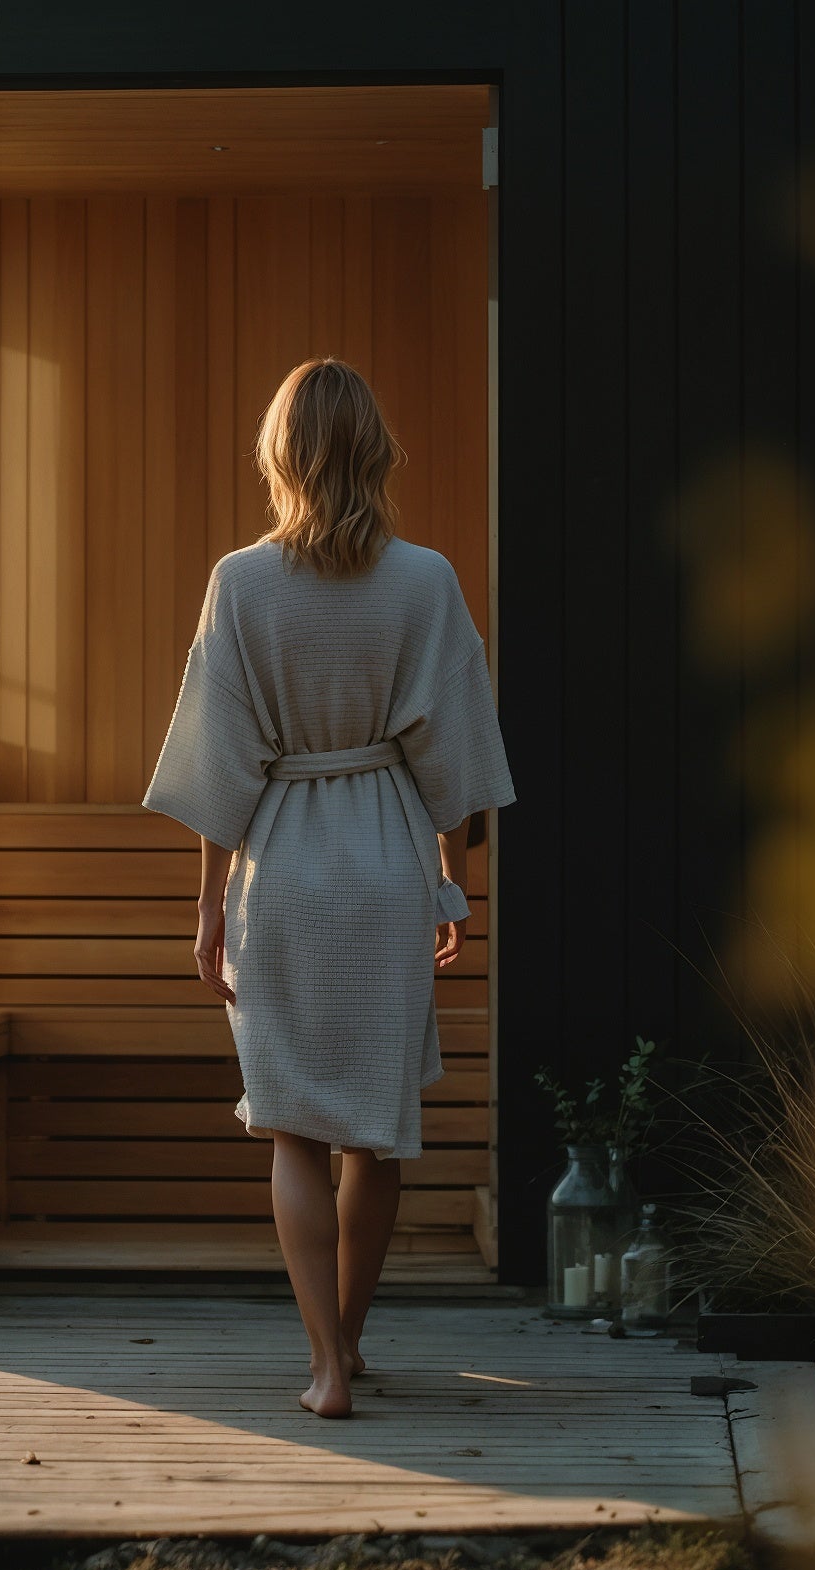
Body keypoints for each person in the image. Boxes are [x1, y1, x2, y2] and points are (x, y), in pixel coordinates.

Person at [143, 357, 516, 1418]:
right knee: (376, 1126)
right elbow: (455, 750)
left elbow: (218, 761)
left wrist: (208, 904)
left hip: (284, 866)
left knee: (293, 1124)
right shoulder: (425, 580)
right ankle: (347, 1344)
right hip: (387, 860)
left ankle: (320, 1368)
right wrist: (451, 883)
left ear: (280, 454)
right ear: (373, 452)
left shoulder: (239, 582)